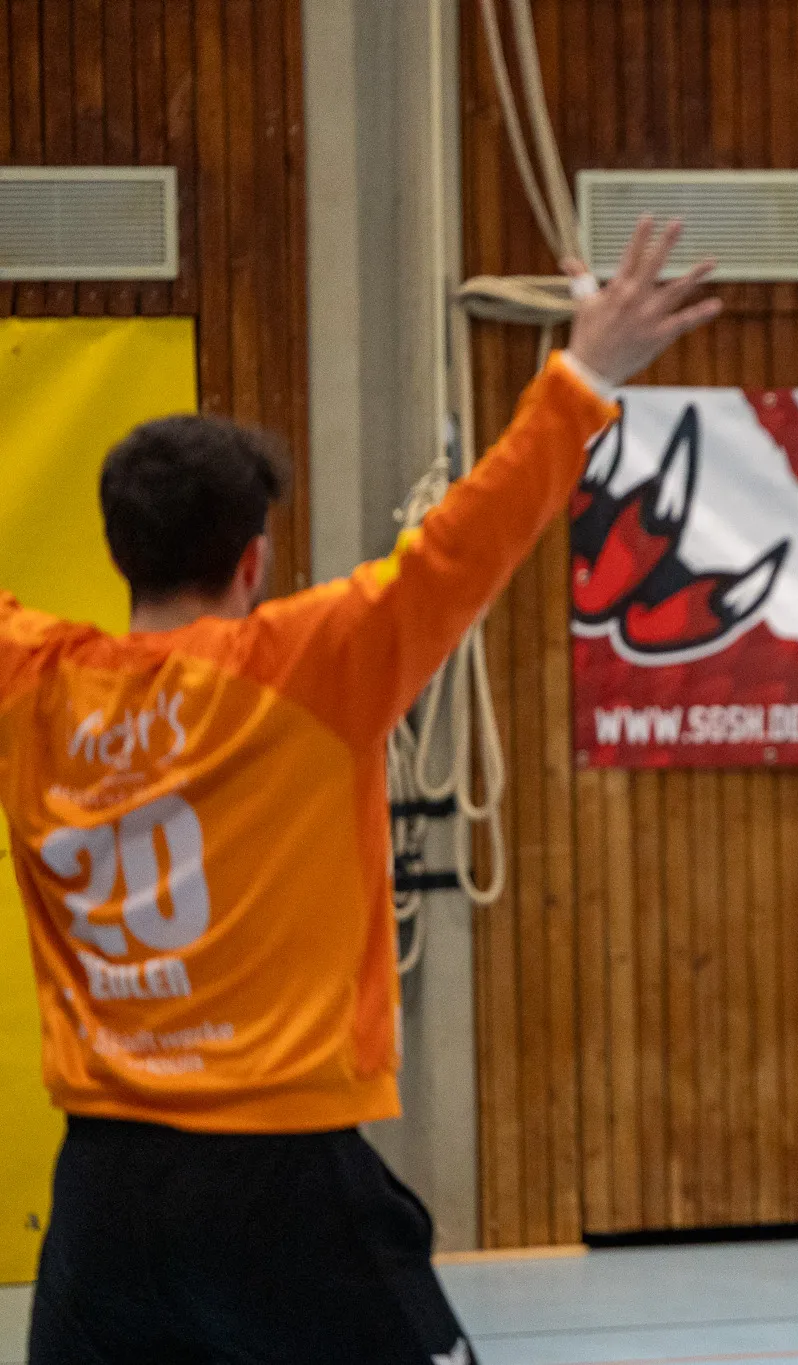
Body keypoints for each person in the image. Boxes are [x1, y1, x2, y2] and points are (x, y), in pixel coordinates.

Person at [4, 217, 718, 1365]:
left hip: (99, 1192)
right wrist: (583, 373)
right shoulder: (306, 665)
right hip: (274, 1177)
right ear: (253, 559)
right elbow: (461, 544)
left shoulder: (30, 685)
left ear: (116, 546)